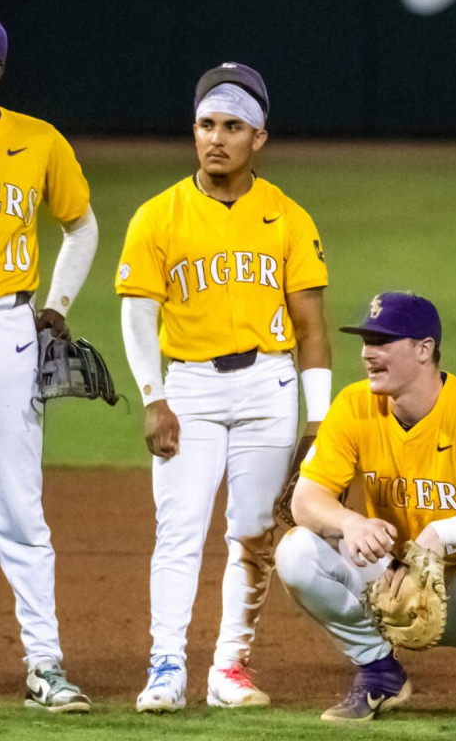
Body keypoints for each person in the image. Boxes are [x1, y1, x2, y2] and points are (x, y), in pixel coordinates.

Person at [115, 62, 331, 713]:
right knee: (178, 531)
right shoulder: (159, 216)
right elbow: (136, 314)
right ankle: (165, 666)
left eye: (232, 126)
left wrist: (318, 421)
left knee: (255, 533)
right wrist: (153, 397)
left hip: (270, 385)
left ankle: (228, 666)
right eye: (206, 124)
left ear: (258, 138)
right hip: (189, 388)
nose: (216, 138)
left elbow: (312, 328)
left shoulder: (289, 218)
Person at [275, 291, 456, 726]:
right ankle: (379, 670)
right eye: (365, 341)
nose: (368, 354)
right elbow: (304, 500)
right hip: (390, 586)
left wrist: (445, 533)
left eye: (383, 341)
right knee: (296, 552)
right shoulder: (354, 405)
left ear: (424, 350)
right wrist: (350, 522)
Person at [0, 21, 97, 712]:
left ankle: (44, 664)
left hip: (9, 328)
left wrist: (56, 308)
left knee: (20, 508)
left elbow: (81, 225)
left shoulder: (38, 140)